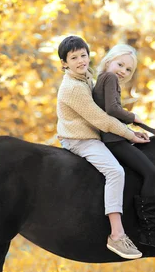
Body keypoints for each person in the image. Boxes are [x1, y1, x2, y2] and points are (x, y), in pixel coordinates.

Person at [56, 35, 149, 259]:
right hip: (80, 139)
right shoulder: (72, 87)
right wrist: (131, 135)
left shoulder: (85, 77)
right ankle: (117, 235)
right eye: (74, 57)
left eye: (83, 55)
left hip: (89, 134)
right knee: (115, 171)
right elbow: (101, 119)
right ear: (65, 63)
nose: (81, 60)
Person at [92, 44, 155, 249]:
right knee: (152, 173)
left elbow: (109, 113)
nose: (123, 71)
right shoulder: (109, 78)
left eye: (128, 69)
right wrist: (134, 117)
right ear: (109, 61)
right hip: (113, 140)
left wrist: (131, 132)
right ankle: (149, 231)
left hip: (116, 135)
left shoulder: (104, 79)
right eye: (120, 64)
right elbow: (112, 109)